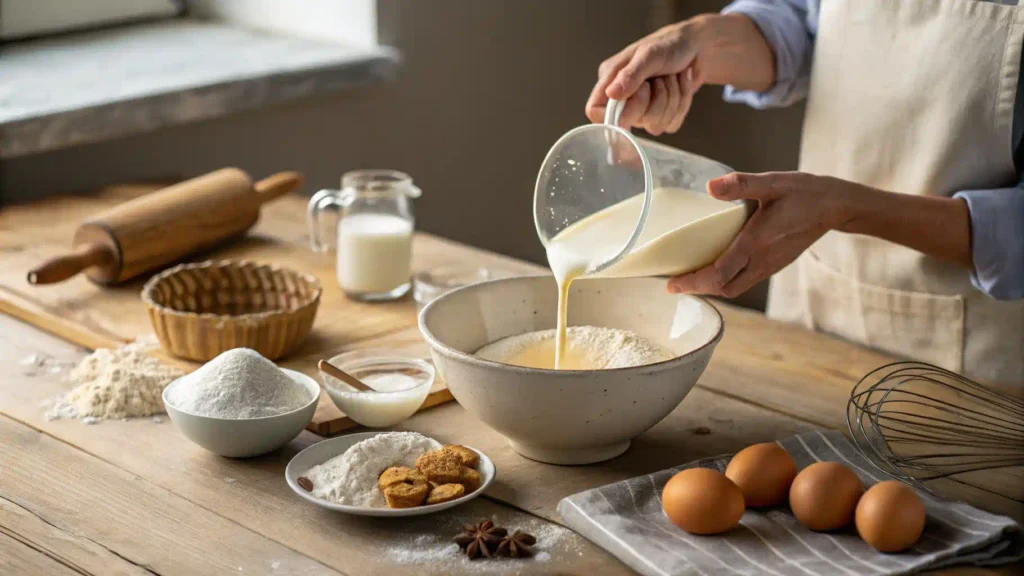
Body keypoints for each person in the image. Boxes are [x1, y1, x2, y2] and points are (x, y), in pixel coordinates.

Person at [586, 0, 1024, 392]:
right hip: (814, 313)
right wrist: (698, 42)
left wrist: (843, 209)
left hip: (973, 371)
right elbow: (804, 20)